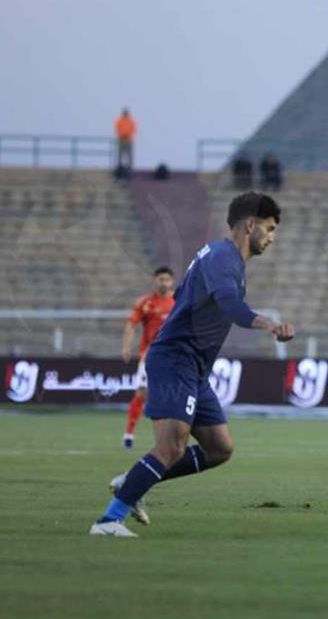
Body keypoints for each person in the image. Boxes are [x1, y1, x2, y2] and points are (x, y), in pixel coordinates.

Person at [91, 193, 295, 536]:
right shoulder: (222, 258)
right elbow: (230, 305)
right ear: (250, 225)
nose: (272, 236)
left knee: (219, 448)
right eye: (270, 228)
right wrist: (269, 324)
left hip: (195, 368)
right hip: (174, 360)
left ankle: (134, 480)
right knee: (172, 446)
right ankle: (110, 520)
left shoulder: (223, 258)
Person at [120, 266, 176, 452]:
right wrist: (127, 347)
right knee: (142, 393)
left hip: (174, 358)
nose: (164, 283)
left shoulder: (178, 301)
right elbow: (131, 324)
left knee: (172, 396)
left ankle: (169, 438)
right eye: (161, 279)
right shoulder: (146, 303)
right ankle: (128, 434)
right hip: (150, 356)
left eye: (167, 279)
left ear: (172, 282)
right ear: (155, 281)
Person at [114, 108, 137, 177]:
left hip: (129, 140)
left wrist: (128, 135)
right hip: (121, 139)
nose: (125, 114)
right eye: (125, 113)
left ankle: (129, 167)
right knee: (120, 153)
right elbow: (117, 129)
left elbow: (133, 129)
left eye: (126, 113)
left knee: (129, 154)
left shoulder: (131, 121)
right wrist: (121, 135)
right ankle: (119, 166)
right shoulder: (119, 121)